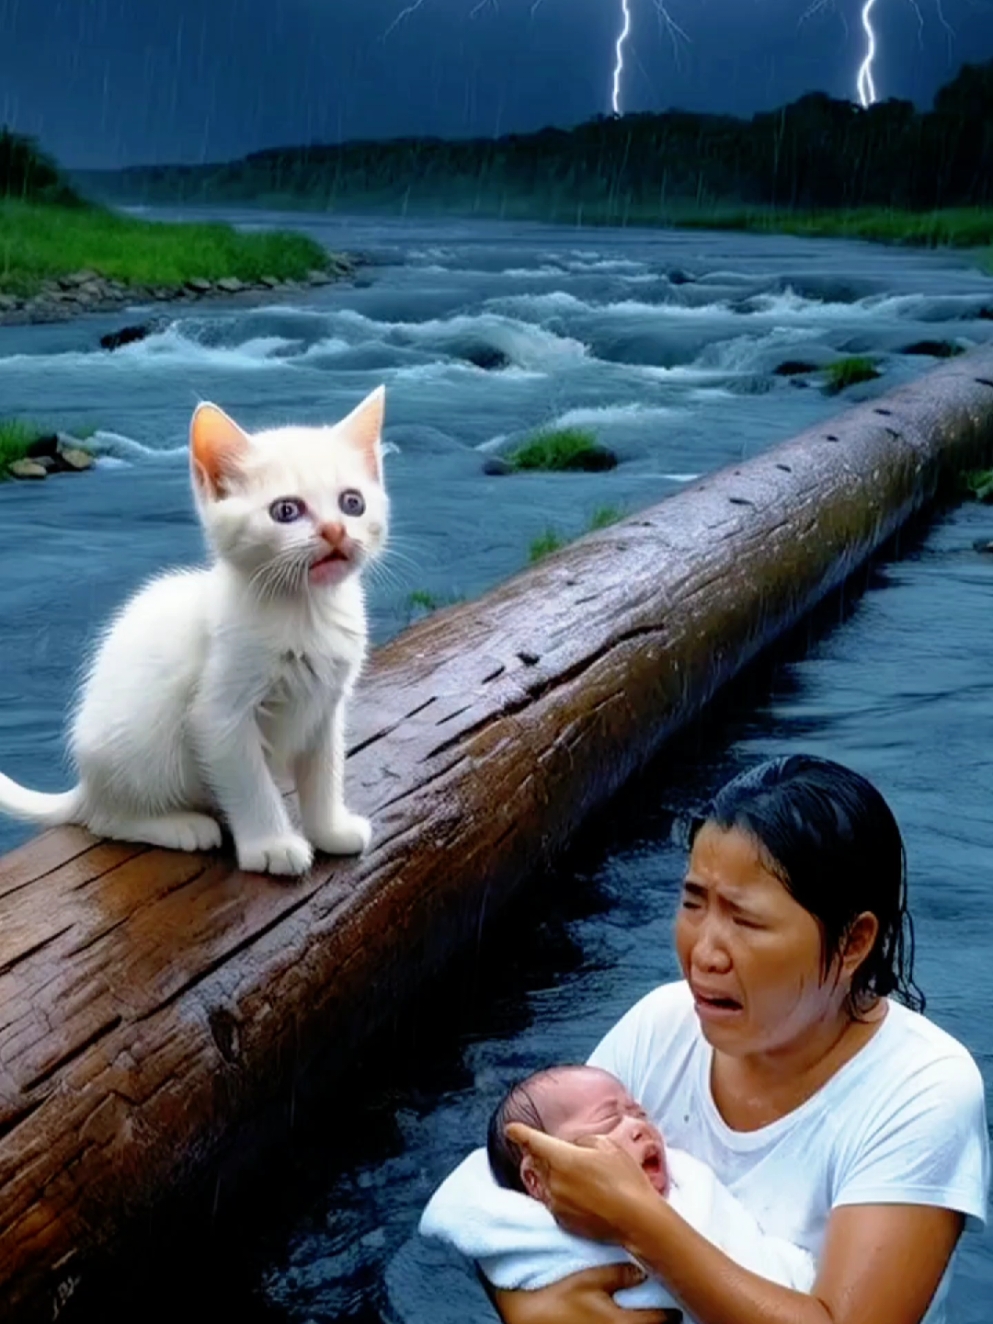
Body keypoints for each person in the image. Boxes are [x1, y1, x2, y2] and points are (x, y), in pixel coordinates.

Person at [423, 755, 989, 1324]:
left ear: (853, 943)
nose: (704, 952)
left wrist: (639, 1221)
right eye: (694, 903)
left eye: (745, 920)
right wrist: (532, 1304)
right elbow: (522, 1205)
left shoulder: (922, 1089)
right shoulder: (661, 1026)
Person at [421, 1063, 815, 1313]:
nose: (639, 1125)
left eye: (639, 1113)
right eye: (609, 1122)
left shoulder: (689, 1190)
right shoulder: (528, 1236)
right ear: (536, 1179)